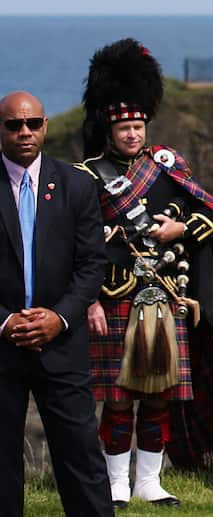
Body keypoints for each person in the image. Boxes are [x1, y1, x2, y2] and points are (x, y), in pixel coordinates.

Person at [77, 39, 213, 508]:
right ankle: (115, 484)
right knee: (117, 399)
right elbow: (75, 242)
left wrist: (180, 228)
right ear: (108, 128)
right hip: (115, 295)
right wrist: (89, 300)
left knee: (158, 397)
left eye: (138, 126)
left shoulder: (169, 168)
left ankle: (149, 482)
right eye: (124, 127)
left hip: (166, 295)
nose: (132, 135)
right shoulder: (87, 175)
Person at [0, 91, 114, 516]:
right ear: (1, 130)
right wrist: (6, 321)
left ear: (45, 127)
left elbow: (92, 265)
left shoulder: (76, 185)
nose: (24, 132)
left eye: (32, 124)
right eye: (13, 125)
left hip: (62, 345)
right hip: (2, 344)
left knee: (81, 457)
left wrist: (60, 317)